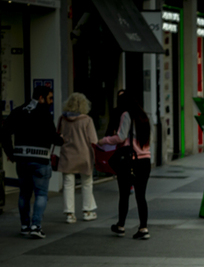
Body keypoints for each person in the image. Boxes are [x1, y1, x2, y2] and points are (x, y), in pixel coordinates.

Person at [1, 84, 63, 238]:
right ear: (41, 98)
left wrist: (11, 152)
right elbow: (52, 136)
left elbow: (4, 133)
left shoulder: (18, 111)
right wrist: (61, 140)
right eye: (49, 98)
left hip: (22, 159)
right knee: (41, 194)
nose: (51, 102)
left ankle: (24, 225)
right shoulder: (44, 113)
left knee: (24, 194)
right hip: (40, 159)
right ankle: (36, 226)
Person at [99, 89, 152, 240]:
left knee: (124, 194)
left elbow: (121, 137)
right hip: (145, 160)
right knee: (141, 196)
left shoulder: (126, 115)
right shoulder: (144, 116)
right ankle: (143, 228)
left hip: (130, 160)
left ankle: (120, 225)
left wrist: (103, 141)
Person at [58, 92, 99, 224]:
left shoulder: (62, 119)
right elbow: (94, 140)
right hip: (84, 155)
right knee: (87, 183)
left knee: (68, 184)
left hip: (67, 156)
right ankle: (87, 211)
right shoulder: (87, 120)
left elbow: (58, 135)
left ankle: (69, 214)